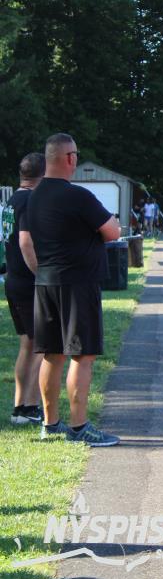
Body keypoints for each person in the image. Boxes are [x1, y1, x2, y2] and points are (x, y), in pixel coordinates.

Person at [22, 133, 121, 446]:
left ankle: (50, 424)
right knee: (82, 355)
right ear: (70, 158)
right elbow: (113, 231)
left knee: (51, 354)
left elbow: (28, 241)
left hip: (46, 282)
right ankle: (79, 427)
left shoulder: (34, 197)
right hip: (77, 284)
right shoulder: (78, 196)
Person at [6, 153, 45, 425]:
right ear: (43, 175)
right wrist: (41, 274)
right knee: (43, 346)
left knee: (27, 344)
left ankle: (19, 407)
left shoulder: (12, 200)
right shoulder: (31, 201)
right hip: (29, 283)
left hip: (13, 280)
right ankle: (30, 407)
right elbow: (25, 242)